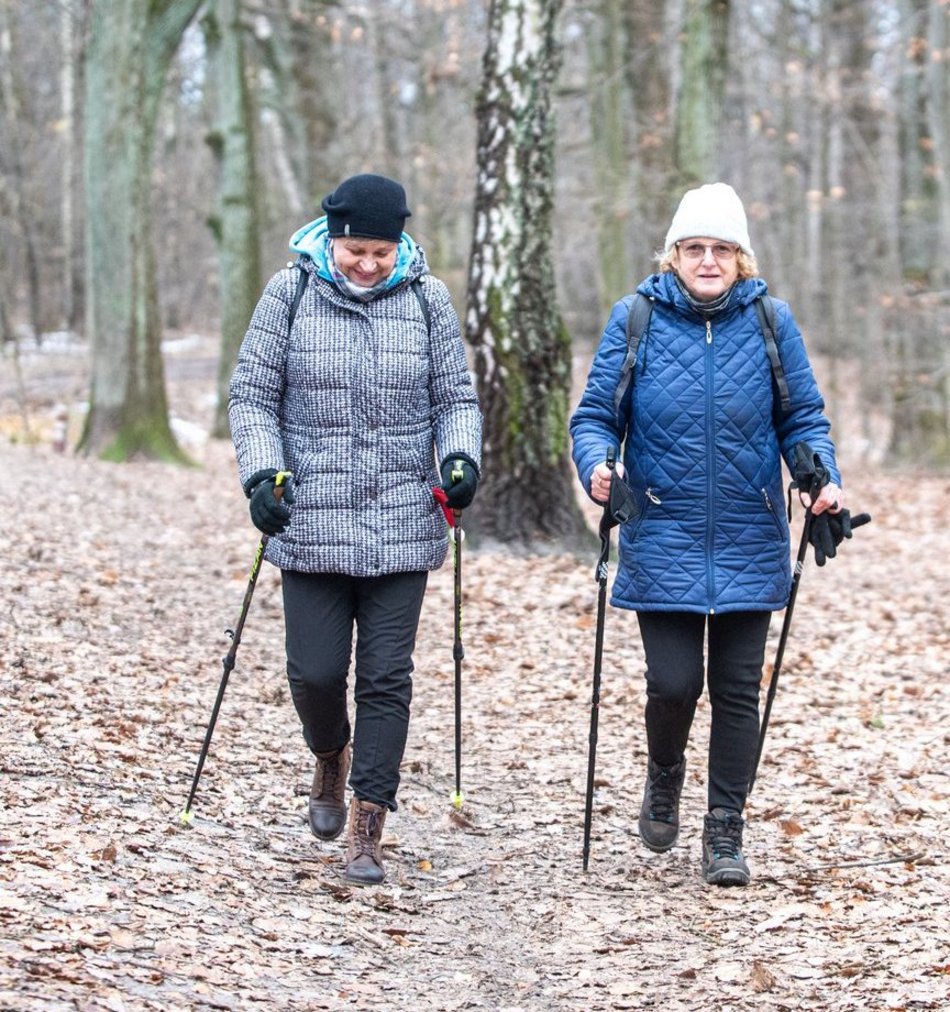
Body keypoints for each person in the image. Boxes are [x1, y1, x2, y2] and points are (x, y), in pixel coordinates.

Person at [570, 182, 857, 886]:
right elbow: (594, 419)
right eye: (694, 248)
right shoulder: (635, 317)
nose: (707, 260)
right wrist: (598, 466)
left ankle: (725, 829)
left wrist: (819, 478)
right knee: (673, 684)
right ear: (673, 256)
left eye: (720, 249)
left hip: (748, 529)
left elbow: (802, 419)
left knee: (736, 691)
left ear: (741, 258)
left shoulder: (770, 320)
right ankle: (664, 772)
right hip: (660, 526)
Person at [229, 173, 482, 885]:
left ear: (400, 243)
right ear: (331, 239)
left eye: (381, 250)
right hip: (310, 516)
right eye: (356, 250)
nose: (369, 264)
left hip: (404, 518)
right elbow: (252, 394)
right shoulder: (291, 293)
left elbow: (455, 397)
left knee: (385, 678)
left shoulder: (428, 300)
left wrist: (461, 456)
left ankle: (369, 824)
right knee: (314, 674)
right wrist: (262, 475)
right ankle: (329, 755)